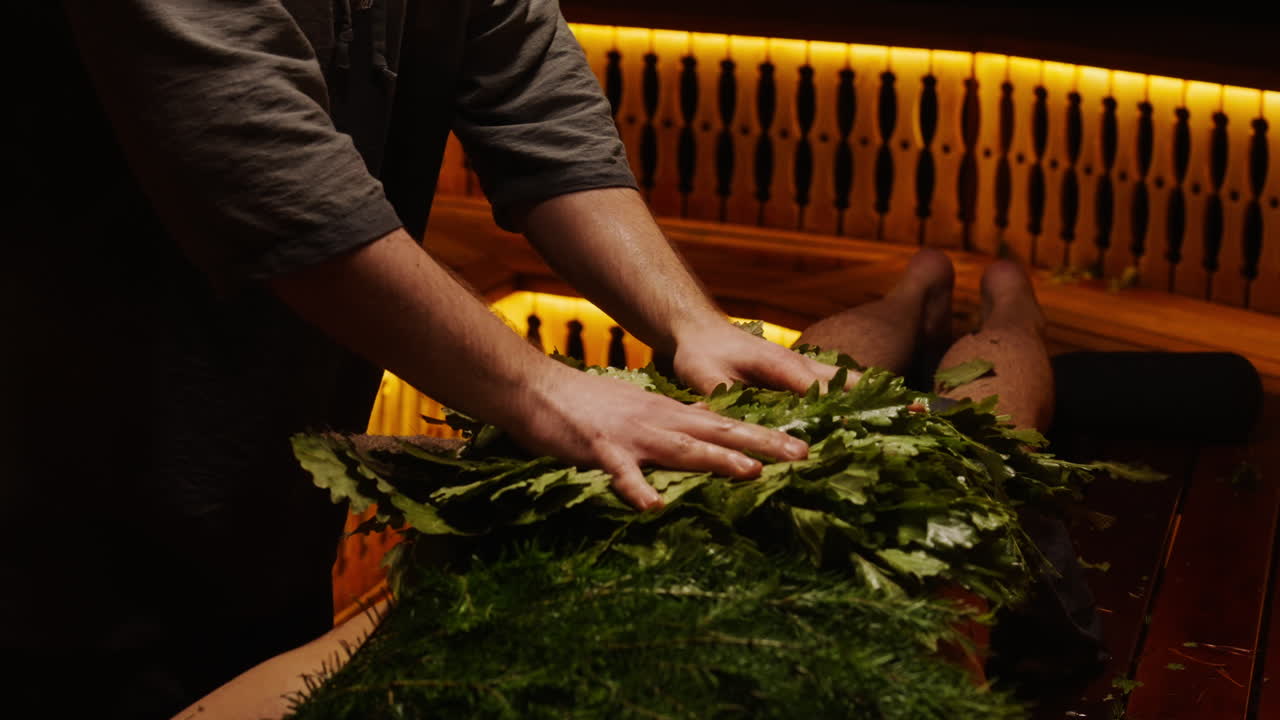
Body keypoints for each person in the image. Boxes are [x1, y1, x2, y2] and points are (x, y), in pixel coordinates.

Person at [5, 2, 842, 717]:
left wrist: (693, 324)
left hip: (265, 485)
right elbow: (267, 175)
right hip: (57, 494)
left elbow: (531, 95)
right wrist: (544, 391)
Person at [167, 248, 1059, 718]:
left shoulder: (406, 674)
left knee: (803, 383)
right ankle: (1007, 310)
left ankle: (914, 297)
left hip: (600, 525)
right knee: (973, 435)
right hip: (816, 596)